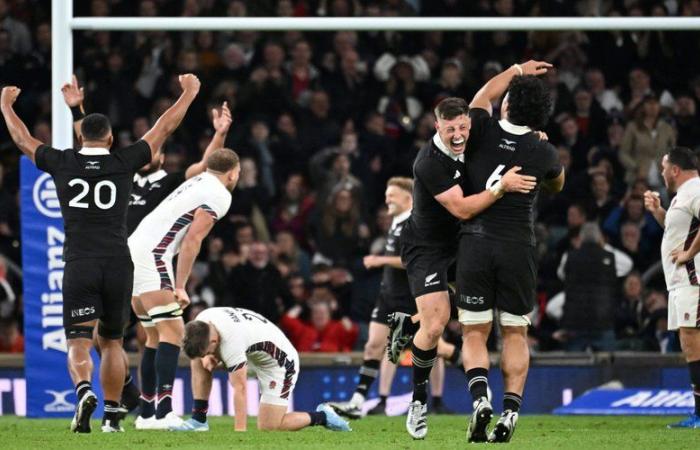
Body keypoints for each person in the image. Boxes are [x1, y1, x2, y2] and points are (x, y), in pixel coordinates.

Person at [0, 73, 200, 432]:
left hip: (80, 262)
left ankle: (82, 389)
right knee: (111, 342)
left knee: (78, 341)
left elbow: (23, 139)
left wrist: (5, 105)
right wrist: (188, 94)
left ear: (79, 137)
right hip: (118, 264)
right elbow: (163, 127)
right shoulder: (123, 162)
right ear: (110, 138)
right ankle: (111, 417)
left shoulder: (63, 163)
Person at [61, 74, 234, 415]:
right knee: (107, 337)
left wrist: (219, 134)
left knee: (144, 336)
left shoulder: (168, 182)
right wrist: (76, 111)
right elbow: (90, 147)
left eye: (157, 149)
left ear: (161, 155)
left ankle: (144, 404)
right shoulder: (120, 171)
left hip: (130, 262)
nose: (153, 150)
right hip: (119, 260)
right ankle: (129, 394)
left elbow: (205, 170)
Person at [398, 96, 538, 440]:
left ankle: (409, 324)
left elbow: (485, 95)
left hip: (465, 243)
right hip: (428, 247)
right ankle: (418, 402)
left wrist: (517, 70)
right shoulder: (429, 162)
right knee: (436, 325)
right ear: (437, 127)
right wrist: (501, 187)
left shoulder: (472, 133)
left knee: (465, 319)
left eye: (462, 127)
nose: (458, 135)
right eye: (450, 129)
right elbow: (461, 208)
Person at [456, 62, 564, 443]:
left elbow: (481, 96)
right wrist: (541, 142)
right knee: (515, 332)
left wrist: (515, 69)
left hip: (476, 242)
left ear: (507, 105)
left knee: (474, 331)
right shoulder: (543, 149)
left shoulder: (481, 129)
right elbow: (558, 182)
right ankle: (510, 412)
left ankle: (479, 398)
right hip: (519, 245)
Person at [129, 147, 240, 430]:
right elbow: (192, 241)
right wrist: (180, 286)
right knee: (175, 332)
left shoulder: (199, 181)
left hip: (133, 249)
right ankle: (165, 411)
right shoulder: (220, 195)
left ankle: (146, 414)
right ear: (233, 174)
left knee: (154, 337)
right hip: (154, 255)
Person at [175, 306, 351, 432]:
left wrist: (240, 431)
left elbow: (240, 388)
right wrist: (208, 356)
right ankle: (198, 419)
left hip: (279, 364)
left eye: (209, 349)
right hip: (253, 350)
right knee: (197, 360)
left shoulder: (231, 342)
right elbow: (210, 349)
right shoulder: (204, 319)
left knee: (270, 426)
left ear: (213, 342)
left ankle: (323, 416)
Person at [644, 147, 700, 428]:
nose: (662, 172)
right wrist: (659, 212)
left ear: (675, 169)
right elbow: (679, 231)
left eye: (664, 167)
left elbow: (688, 241)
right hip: (681, 283)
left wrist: (689, 254)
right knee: (689, 343)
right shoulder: (684, 195)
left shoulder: (697, 189)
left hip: (694, 280)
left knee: (695, 343)